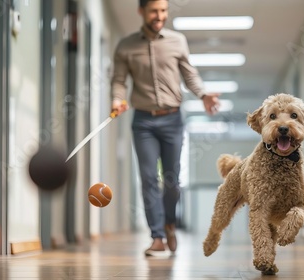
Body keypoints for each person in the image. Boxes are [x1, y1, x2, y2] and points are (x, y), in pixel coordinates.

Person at [110, 0, 220, 256]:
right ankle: (157, 236)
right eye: (154, 11)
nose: (159, 16)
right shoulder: (126, 46)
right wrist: (117, 98)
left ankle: (169, 221)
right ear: (141, 12)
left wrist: (203, 95)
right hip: (143, 121)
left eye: (163, 11)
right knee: (149, 178)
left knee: (172, 180)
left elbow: (189, 74)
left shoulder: (177, 41)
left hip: (172, 119)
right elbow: (118, 80)